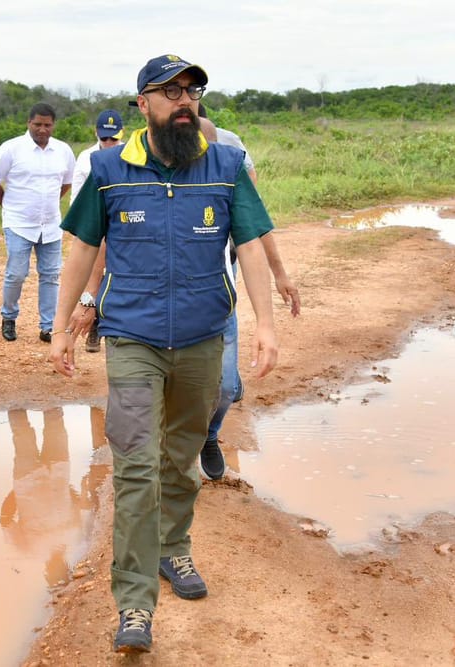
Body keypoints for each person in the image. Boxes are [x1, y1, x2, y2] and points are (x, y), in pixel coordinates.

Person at [49, 55, 278, 653]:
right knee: (134, 467)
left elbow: (251, 246)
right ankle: (133, 605)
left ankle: (173, 552)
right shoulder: (106, 168)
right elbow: (80, 250)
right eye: (170, 91)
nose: (185, 100)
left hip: (203, 342)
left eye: (193, 90)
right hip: (132, 341)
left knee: (179, 460)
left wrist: (266, 325)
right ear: (143, 104)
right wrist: (61, 327)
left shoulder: (226, 164)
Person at [195, 116, 301, 479]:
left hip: (220, 289)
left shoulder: (230, 162)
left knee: (224, 387)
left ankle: (210, 436)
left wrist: (280, 275)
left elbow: (255, 230)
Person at [0, 102, 75, 343]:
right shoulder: (11, 149)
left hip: (51, 225)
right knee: (16, 274)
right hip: (18, 224)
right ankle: (9, 317)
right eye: (37, 124)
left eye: (47, 125)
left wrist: (49, 202)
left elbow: (66, 182)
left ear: (53, 125)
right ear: (29, 123)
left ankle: (48, 326)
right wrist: (9, 205)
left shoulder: (63, 151)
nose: (42, 130)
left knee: (50, 275)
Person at [68, 109, 125, 354]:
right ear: (97, 134)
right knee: (93, 276)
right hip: (96, 226)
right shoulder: (85, 158)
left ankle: (107, 324)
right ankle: (95, 322)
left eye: (114, 138)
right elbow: (78, 199)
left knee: (116, 277)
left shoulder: (131, 155)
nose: (109, 143)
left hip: (123, 227)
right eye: (105, 139)